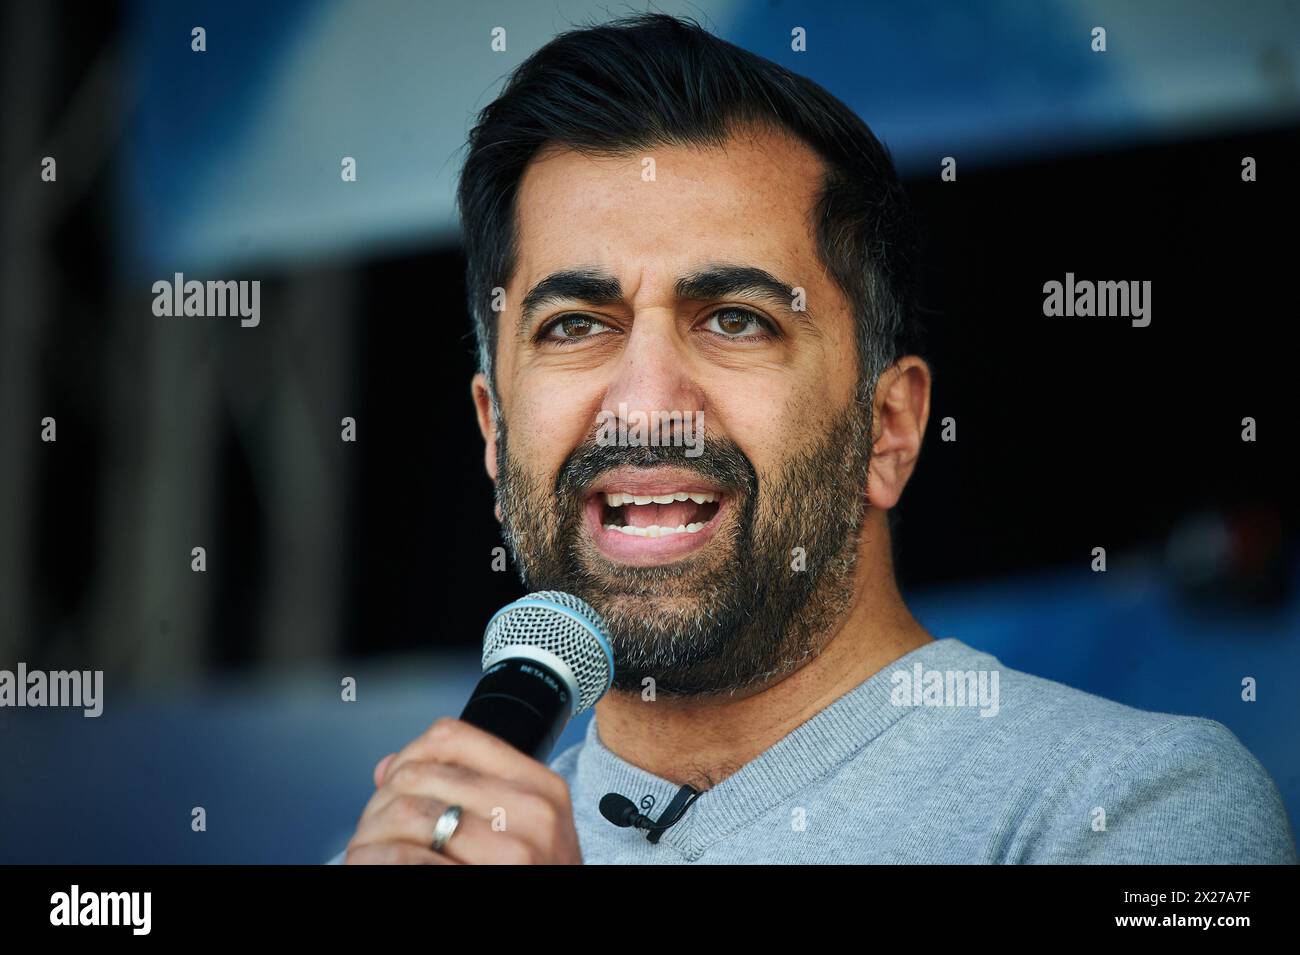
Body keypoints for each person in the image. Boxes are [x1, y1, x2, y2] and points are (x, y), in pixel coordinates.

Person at [334, 14, 1295, 864]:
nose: (646, 405)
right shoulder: (403, 853)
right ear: (494, 433)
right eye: (576, 325)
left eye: (736, 319)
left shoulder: (1135, 805)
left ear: (891, 429)